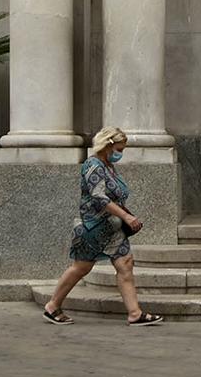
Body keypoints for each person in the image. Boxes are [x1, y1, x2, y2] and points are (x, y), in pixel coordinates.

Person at [40, 127, 164, 325]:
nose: (120, 154)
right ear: (108, 145)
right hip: (93, 227)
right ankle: (52, 306)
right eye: (119, 149)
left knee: (125, 264)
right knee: (81, 268)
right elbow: (99, 197)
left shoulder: (108, 166)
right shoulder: (93, 165)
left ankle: (135, 313)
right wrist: (126, 216)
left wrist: (124, 217)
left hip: (112, 229)